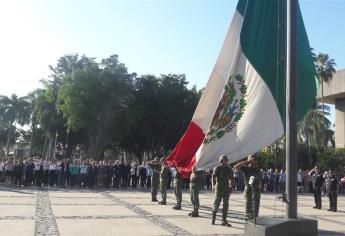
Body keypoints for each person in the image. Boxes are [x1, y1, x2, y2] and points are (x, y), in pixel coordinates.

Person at [234, 155, 262, 221]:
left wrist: (260, 189)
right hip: (249, 190)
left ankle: (255, 219)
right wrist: (247, 161)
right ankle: (248, 221)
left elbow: (260, 180)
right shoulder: (246, 168)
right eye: (253, 160)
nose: (255, 161)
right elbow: (236, 167)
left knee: (256, 207)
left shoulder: (258, 170)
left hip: (256, 190)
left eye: (255, 160)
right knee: (249, 207)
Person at [211, 155, 234, 227]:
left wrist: (231, 186)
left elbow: (231, 178)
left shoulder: (229, 169)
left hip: (226, 189)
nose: (225, 161)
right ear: (221, 160)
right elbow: (213, 177)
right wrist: (213, 185)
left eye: (226, 160)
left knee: (226, 205)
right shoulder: (217, 168)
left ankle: (224, 220)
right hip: (219, 188)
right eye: (223, 160)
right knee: (216, 204)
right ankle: (213, 219)